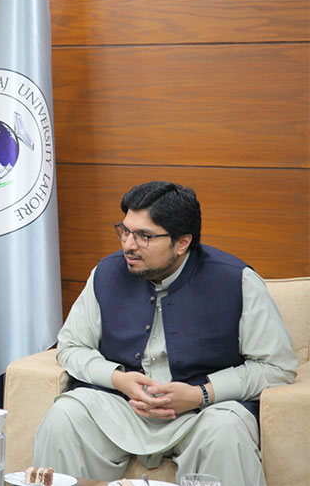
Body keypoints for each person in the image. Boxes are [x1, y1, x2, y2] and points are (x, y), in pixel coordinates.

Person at [31, 181, 297, 485]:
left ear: (182, 242)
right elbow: (71, 346)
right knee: (64, 416)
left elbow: (277, 366)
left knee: (226, 431)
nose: (129, 245)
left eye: (144, 236)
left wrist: (201, 394)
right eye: (125, 231)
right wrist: (119, 379)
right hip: (123, 404)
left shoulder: (237, 281)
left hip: (203, 413)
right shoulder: (106, 273)